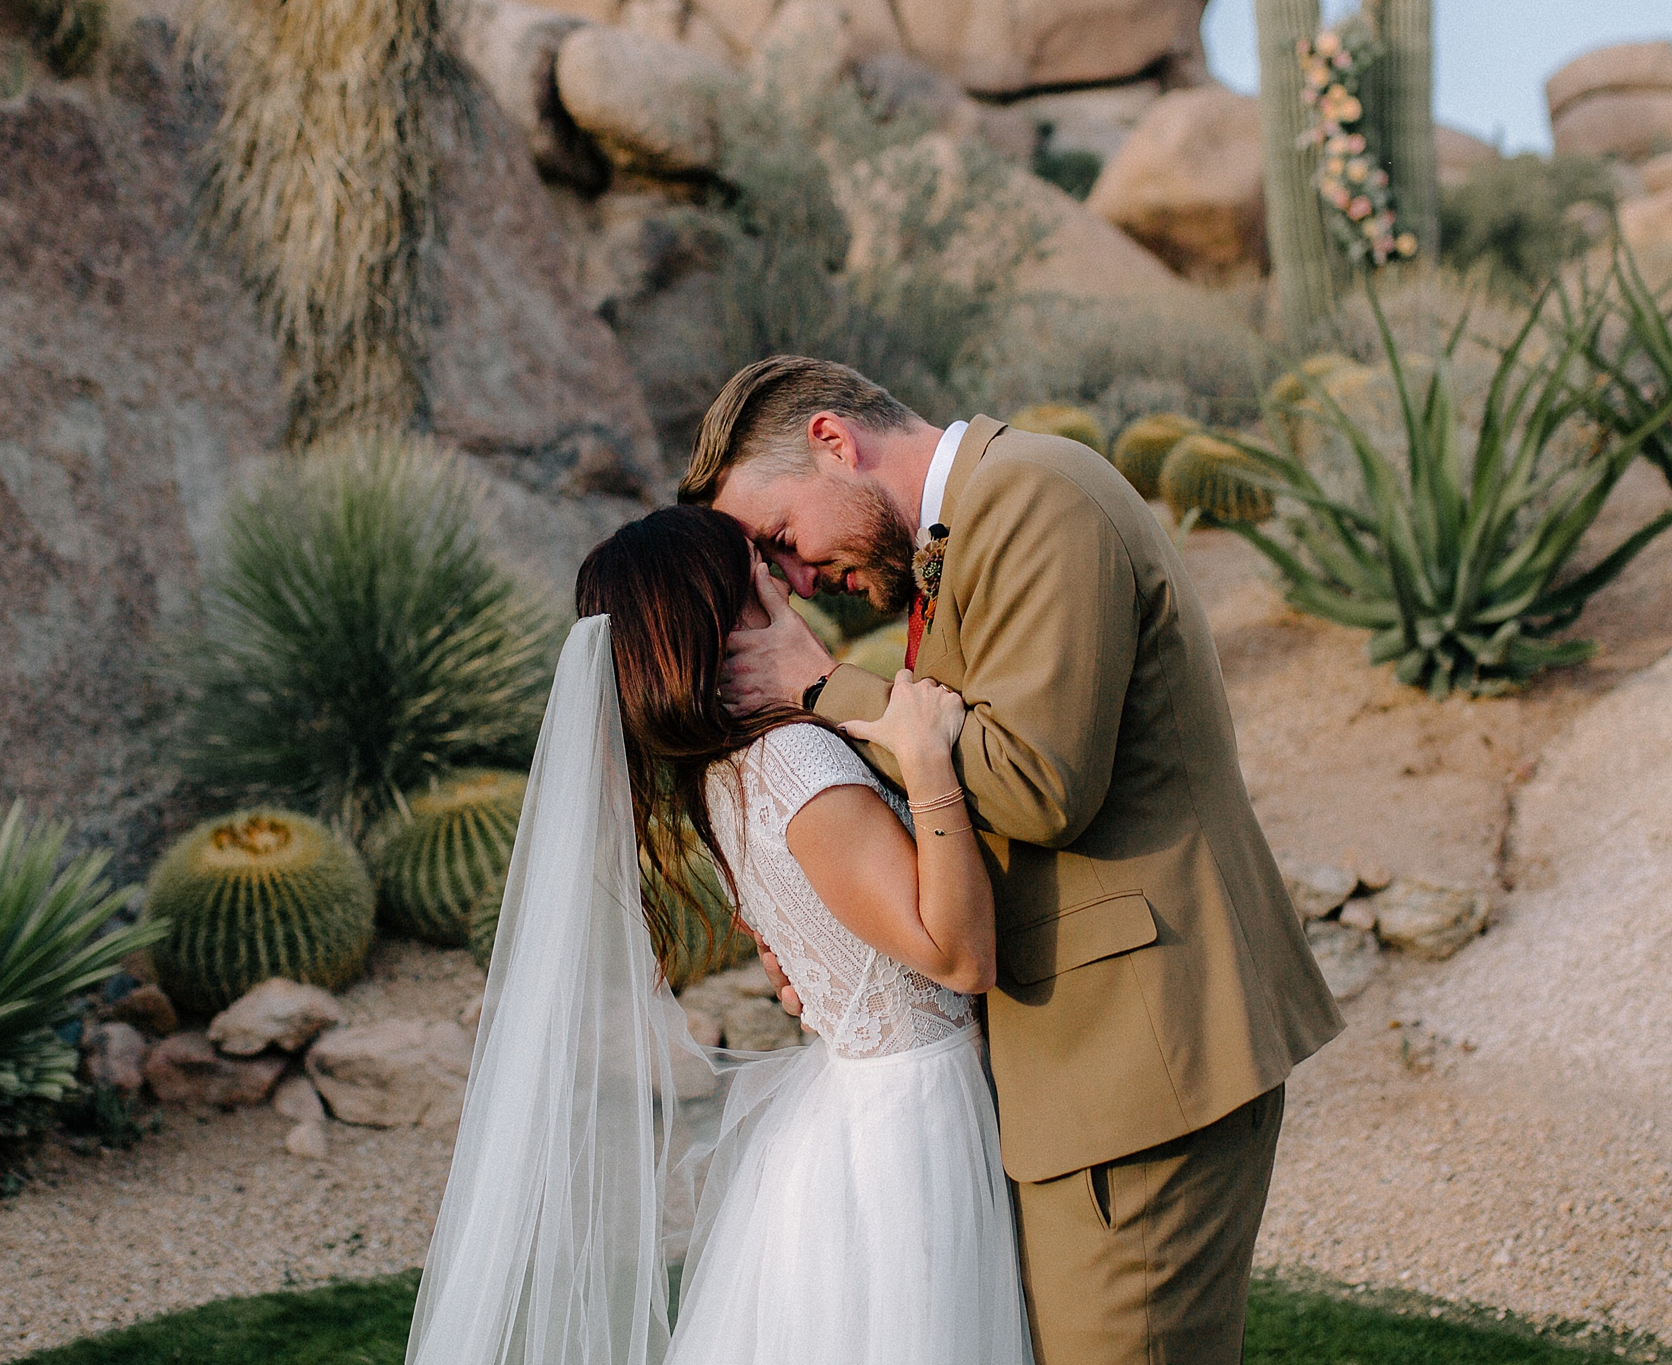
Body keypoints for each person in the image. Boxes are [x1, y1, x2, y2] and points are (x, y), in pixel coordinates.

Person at [682, 355, 1346, 1365]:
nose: (801, 576)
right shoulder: (958, 536)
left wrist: (822, 685)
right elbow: (959, 788)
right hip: (1079, 1067)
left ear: (832, 442)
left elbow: (1037, 783)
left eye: (781, 538)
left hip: (1138, 1059)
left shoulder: (1035, 497)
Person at [405, 504, 1034, 1365]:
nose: (785, 581)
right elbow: (958, 954)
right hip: (912, 1121)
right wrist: (927, 763)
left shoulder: (729, 772)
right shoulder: (795, 766)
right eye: (758, 574)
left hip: (873, 1102)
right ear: (721, 613)